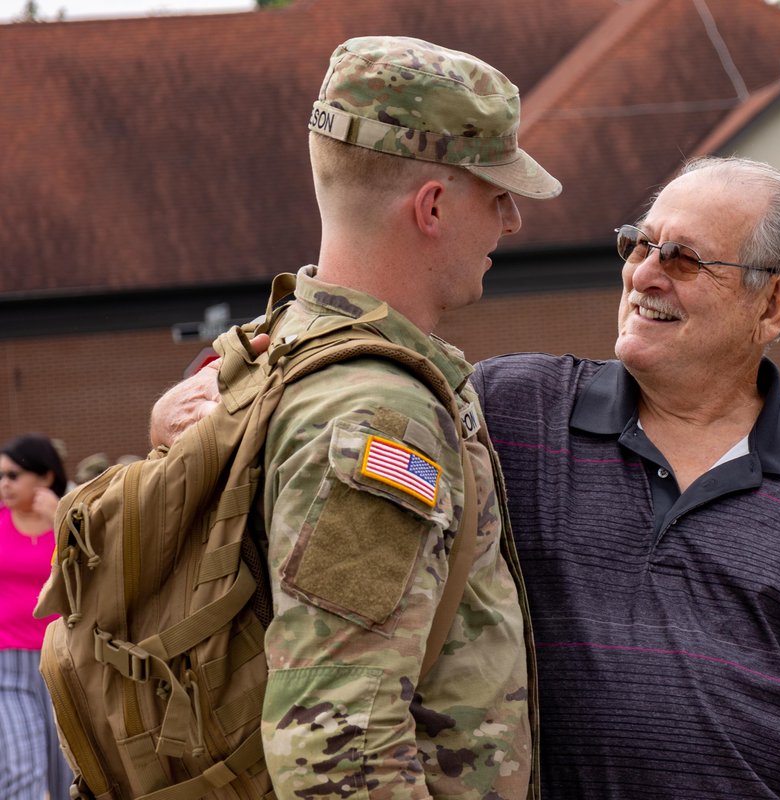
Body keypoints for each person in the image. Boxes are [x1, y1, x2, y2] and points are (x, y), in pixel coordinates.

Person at [154, 157, 780, 796]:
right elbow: (301, 386)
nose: (644, 274)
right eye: (639, 244)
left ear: (773, 306)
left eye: (683, 257)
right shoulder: (509, 408)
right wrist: (177, 419)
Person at [155, 35, 561, 798]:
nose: (510, 219)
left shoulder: (274, 347)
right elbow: (338, 741)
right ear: (433, 206)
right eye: (495, 192)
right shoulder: (379, 413)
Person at [0, 433, 72, 800]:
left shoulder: (71, 522)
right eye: (1, 476)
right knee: (20, 768)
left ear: (44, 477)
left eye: (14, 475)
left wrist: (60, 519)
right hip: (6, 665)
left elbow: (91, 577)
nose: (5, 484)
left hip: (62, 662)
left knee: (71, 774)